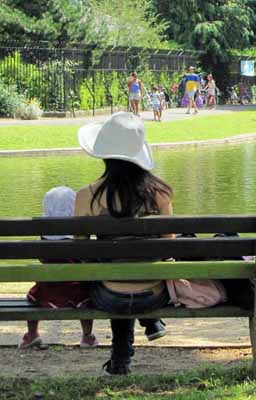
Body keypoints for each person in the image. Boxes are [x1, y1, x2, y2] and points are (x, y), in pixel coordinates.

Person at [76, 112, 174, 375]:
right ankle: (150, 321)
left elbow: (81, 250)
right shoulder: (161, 194)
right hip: (155, 295)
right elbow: (170, 247)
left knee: (111, 275)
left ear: (105, 154)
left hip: (109, 296)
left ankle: (120, 360)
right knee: (133, 270)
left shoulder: (86, 197)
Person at [19, 186, 98, 350]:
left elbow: (41, 258)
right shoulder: (78, 232)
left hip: (47, 291)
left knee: (33, 296)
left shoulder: (43, 233)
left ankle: (32, 334)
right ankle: (87, 336)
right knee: (86, 293)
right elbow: (86, 260)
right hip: (76, 292)